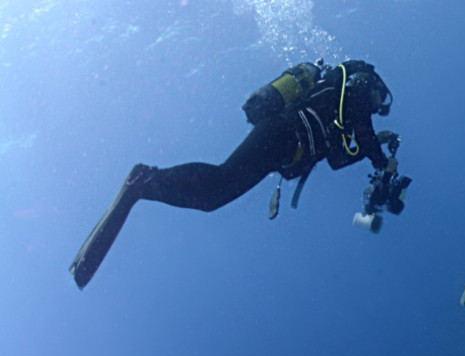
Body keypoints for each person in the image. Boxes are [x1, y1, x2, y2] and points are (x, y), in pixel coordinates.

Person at [71, 59, 407, 289]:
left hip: (285, 146)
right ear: (376, 85)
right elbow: (362, 129)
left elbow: (337, 158)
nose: (378, 107)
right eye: (380, 101)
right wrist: (381, 160)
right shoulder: (359, 82)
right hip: (283, 133)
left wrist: (375, 145)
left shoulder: (345, 107)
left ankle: (144, 184)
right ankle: (144, 180)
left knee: (213, 197)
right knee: (218, 185)